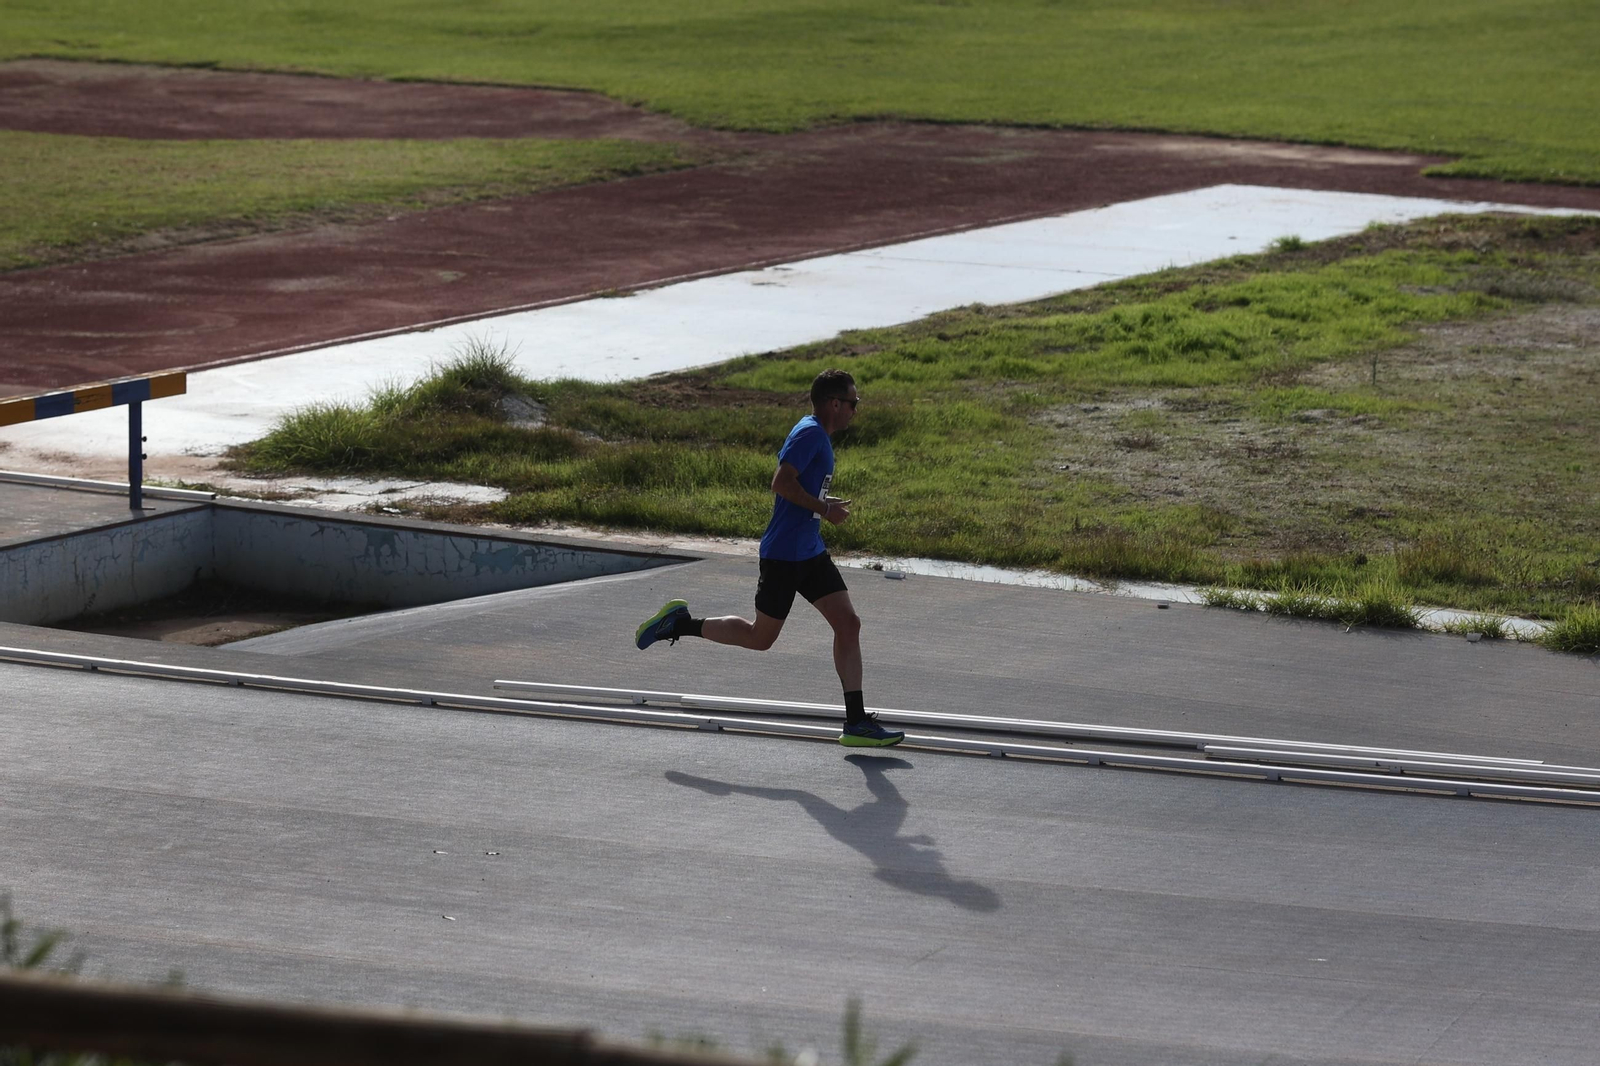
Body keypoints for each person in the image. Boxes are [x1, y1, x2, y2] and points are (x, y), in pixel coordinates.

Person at [632, 368, 904, 748]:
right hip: (784, 555)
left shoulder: (818, 435)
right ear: (835, 403)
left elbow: (799, 487)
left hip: (808, 550)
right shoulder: (810, 433)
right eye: (853, 403)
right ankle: (679, 624)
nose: (856, 410)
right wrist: (824, 510)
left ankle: (856, 722)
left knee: (849, 623)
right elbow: (780, 482)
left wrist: (822, 507)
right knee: (760, 638)